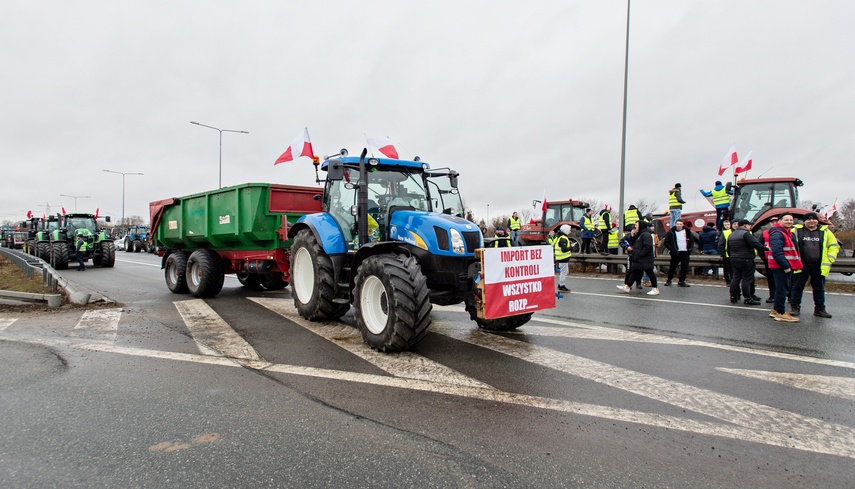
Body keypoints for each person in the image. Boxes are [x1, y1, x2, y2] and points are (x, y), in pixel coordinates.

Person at [789, 212, 839, 318]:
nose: (811, 221)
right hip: (801, 264)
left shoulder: (826, 232)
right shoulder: (796, 231)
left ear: (817, 221)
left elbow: (834, 246)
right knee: (797, 287)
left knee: (819, 288)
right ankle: (795, 308)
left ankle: (820, 309)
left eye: (814, 219)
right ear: (804, 221)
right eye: (808, 219)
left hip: (819, 265)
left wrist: (830, 258)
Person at [766, 214, 801, 322]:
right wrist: (786, 266)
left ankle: (776, 310)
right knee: (782, 289)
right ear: (780, 221)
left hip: (781, 265)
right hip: (781, 266)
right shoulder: (778, 233)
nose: (789, 222)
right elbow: (777, 252)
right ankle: (780, 313)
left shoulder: (786, 232)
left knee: (780, 289)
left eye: (791, 220)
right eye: (786, 220)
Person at [726, 219, 768, 305]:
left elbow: (728, 249)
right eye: (749, 225)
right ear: (745, 225)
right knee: (747, 279)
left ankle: (733, 296)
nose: (750, 227)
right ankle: (748, 298)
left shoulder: (731, 234)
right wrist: (767, 249)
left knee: (736, 277)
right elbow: (755, 244)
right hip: (746, 259)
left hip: (734, 259)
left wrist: (732, 256)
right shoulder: (746, 234)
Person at [617, 221, 659, 295]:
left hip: (645, 258)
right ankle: (627, 286)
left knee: (650, 272)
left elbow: (647, 247)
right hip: (640, 258)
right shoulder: (640, 235)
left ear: (641, 226)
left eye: (636, 225)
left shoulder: (646, 235)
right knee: (635, 271)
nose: (635, 226)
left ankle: (655, 288)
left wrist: (640, 254)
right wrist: (632, 235)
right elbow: (634, 244)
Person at [662, 219, 693, 286]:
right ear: (675, 224)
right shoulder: (671, 232)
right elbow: (666, 242)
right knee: (673, 267)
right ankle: (669, 280)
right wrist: (671, 249)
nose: (679, 225)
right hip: (676, 252)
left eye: (680, 224)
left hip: (685, 252)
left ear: (682, 225)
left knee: (684, 267)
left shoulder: (687, 231)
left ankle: (681, 281)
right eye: (678, 224)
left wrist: (690, 248)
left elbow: (691, 240)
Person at [758, 216, 779, 303]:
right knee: (771, 278)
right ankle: (772, 295)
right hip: (769, 259)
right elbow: (760, 246)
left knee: (784, 279)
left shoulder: (785, 232)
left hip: (781, 259)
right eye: (772, 222)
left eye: (776, 222)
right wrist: (764, 257)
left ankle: (788, 295)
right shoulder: (765, 233)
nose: (774, 223)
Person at [554, 224, 572, 292]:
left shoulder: (561, 237)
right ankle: (561, 285)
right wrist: (571, 247)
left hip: (562, 258)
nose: (570, 231)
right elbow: (563, 249)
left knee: (564, 272)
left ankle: (560, 284)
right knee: (564, 272)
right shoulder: (563, 238)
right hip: (563, 258)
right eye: (569, 230)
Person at [717, 219, 734, 286]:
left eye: (728, 225)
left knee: (732, 269)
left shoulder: (733, 232)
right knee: (727, 269)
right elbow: (720, 244)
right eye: (725, 225)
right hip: (726, 254)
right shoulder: (723, 233)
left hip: (733, 254)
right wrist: (723, 253)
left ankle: (732, 280)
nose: (727, 226)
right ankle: (728, 281)